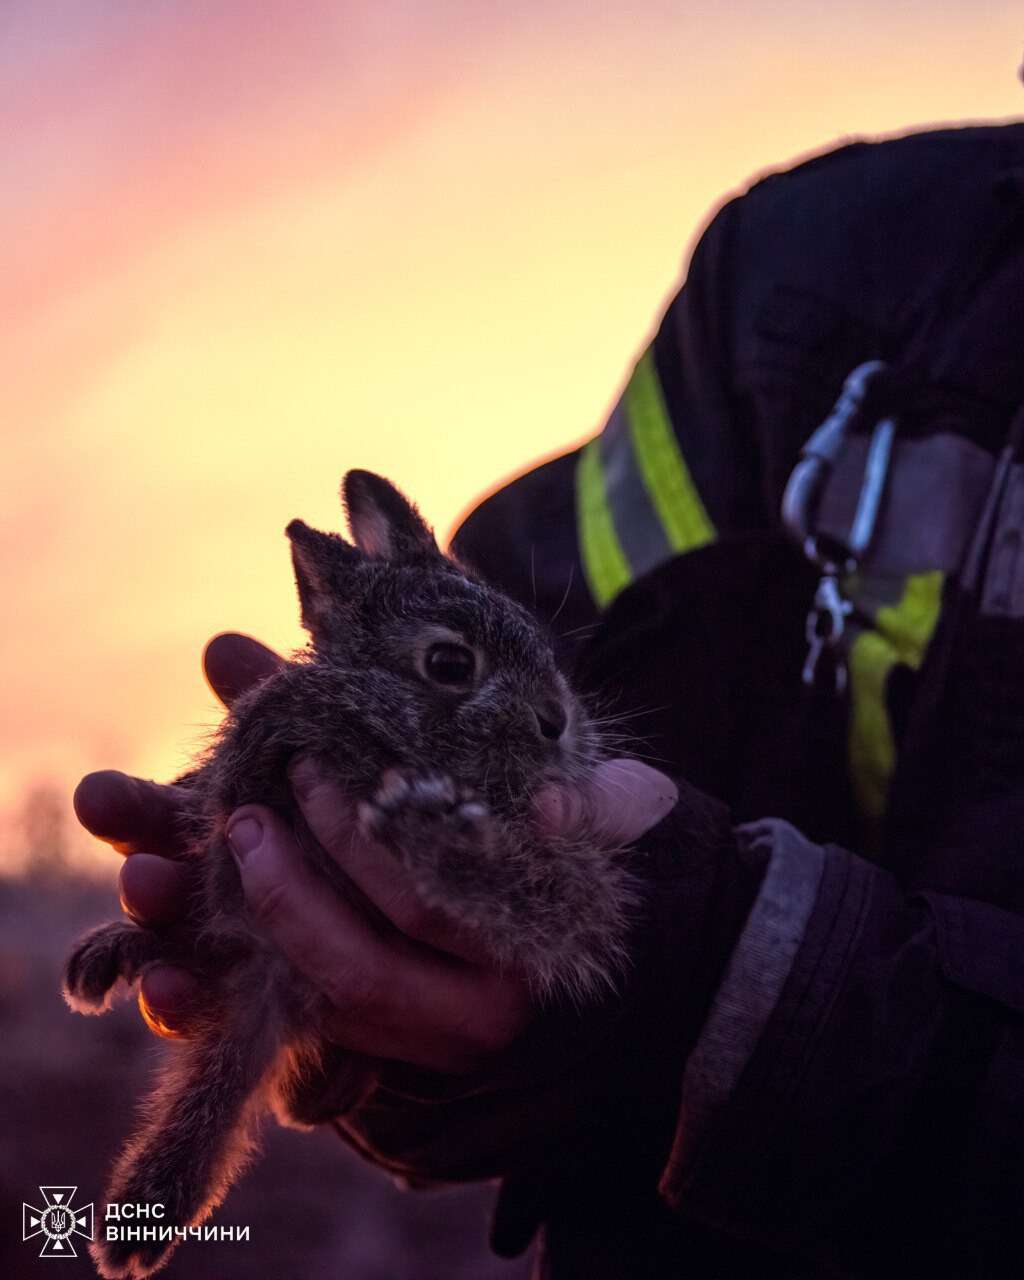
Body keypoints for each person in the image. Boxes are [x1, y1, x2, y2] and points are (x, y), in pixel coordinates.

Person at [74, 120, 1024, 1278]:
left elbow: (622, 883)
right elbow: (579, 672)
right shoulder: (803, 274)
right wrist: (408, 1048)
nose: (552, 709)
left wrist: (716, 973)